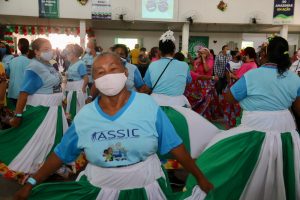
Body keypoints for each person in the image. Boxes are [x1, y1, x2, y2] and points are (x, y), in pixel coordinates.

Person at [14, 52, 213, 200]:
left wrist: (199, 176)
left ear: (125, 73)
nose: (107, 75)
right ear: (95, 80)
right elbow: (61, 154)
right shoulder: (86, 116)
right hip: (100, 189)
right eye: (100, 72)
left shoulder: (147, 105)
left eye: (113, 69)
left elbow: (174, 145)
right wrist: (32, 182)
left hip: (148, 189)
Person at [182, 36, 300, 200]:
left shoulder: (253, 75)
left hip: (255, 128)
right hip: (286, 131)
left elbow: (229, 97)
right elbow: (298, 107)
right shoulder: (295, 78)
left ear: (265, 54)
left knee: (215, 154)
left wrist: (251, 100)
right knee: (282, 166)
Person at [0, 38, 68, 182]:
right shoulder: (34, 68)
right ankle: (35, 169)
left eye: (50, 48)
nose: (49, 51)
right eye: (45, 49)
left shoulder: (50, 65)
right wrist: (18, 115)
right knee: (38, 141)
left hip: (55, 111)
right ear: (36, 52)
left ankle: (49, 167)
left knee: (53, 139)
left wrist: (62, 106)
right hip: (42, 112)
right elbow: (24, 93)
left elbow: (55, 87)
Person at [144, 30, 192, 107]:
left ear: (160, 51)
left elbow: (147, 84)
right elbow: (188, 81)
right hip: (179, 103)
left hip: (157, 103)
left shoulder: (152, 65)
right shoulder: (184, 65)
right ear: (174, 50)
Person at [185, 47, 220, 120]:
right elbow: (194, 70)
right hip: (197, 82)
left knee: (205, 99)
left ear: (207, 53)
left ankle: (205, 116)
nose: (200, 54)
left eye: (202, 53)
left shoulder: (210, 60)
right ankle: (195, 114)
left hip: (206, 82)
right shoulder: (198, 60)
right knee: (195, 98)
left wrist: (203, 59)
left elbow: (206, 69)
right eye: (200, 53)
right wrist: (197, 62)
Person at [64, 44, 88, 120]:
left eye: (68, 53)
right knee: (71, 106)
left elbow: (86, 77)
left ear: (73, 54)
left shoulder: (80, 64)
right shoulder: (71, 63)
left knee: (78, 107)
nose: (67, 55)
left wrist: (83, 88)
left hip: (78, 89)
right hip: (71, 88)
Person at [220, 50, 243, 128]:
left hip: (239, 83)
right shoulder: (229, 64)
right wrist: (230, 84)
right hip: (232, 84)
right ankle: (227, 120)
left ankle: (237, 121)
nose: (240, 55)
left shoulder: (241, 63)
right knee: (229, 103)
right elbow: (227, 76)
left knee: (238, 104)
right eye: (238, 54)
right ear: (234, 55)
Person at [7, 38, 31, 107]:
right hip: (24, 94)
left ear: (19, 47)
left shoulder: (12, 61)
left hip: (12, 92)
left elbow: (8, 74)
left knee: (16, 112)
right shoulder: (31, 62)